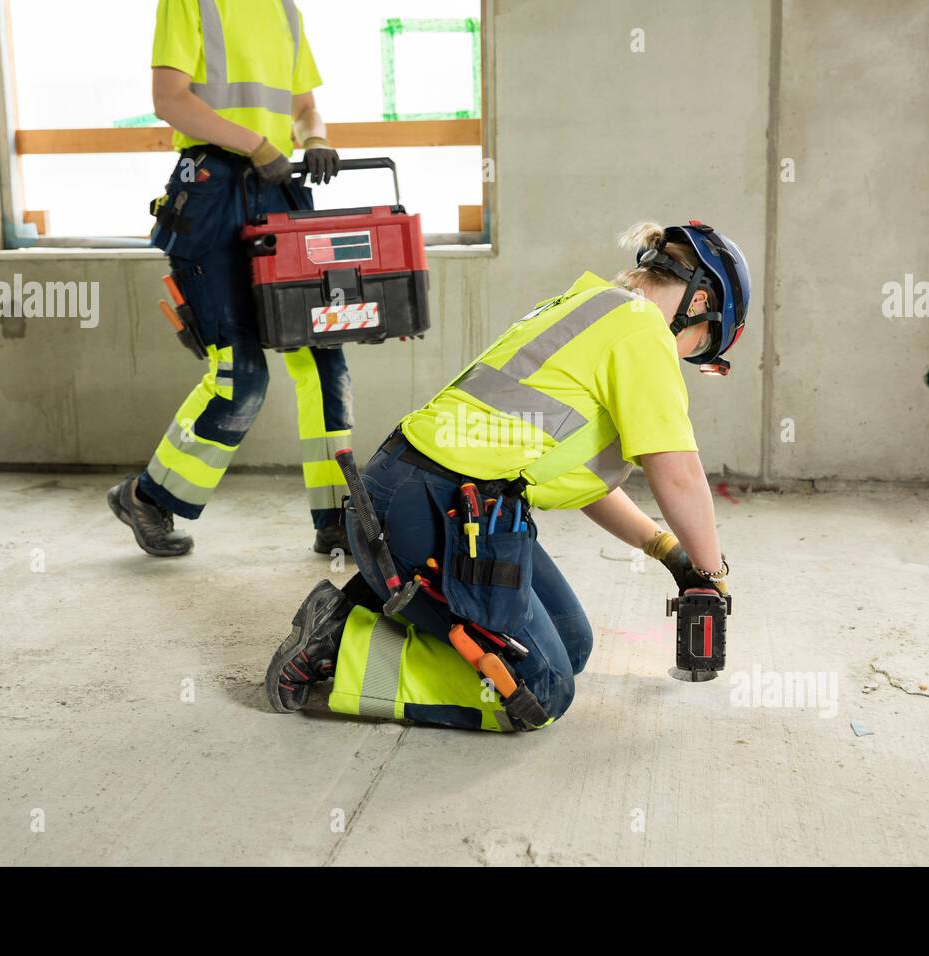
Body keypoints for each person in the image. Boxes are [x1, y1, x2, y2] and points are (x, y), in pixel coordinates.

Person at [266, 220, 751, 732]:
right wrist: (713, 574)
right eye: (701, 345)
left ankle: (383, 609)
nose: (687, 356)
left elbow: (589, 483)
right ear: (698, 304)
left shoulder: (594, 308)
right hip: (436, 507)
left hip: (442, 499)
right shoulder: (644, 331)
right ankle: (338, 646)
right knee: (542, 693)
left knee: (572, 645)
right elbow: (678, 477)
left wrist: (667, 550)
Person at [107, 0, 353, 558]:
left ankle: (336, 516)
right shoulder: (191, 4)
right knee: (241, 376)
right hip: (215, 193)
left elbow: (304, 105)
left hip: (282, 194)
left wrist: (313, 140)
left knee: (323, 362)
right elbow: (170, 100)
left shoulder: (284, 10)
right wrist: (257, 144)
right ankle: (149, 497)